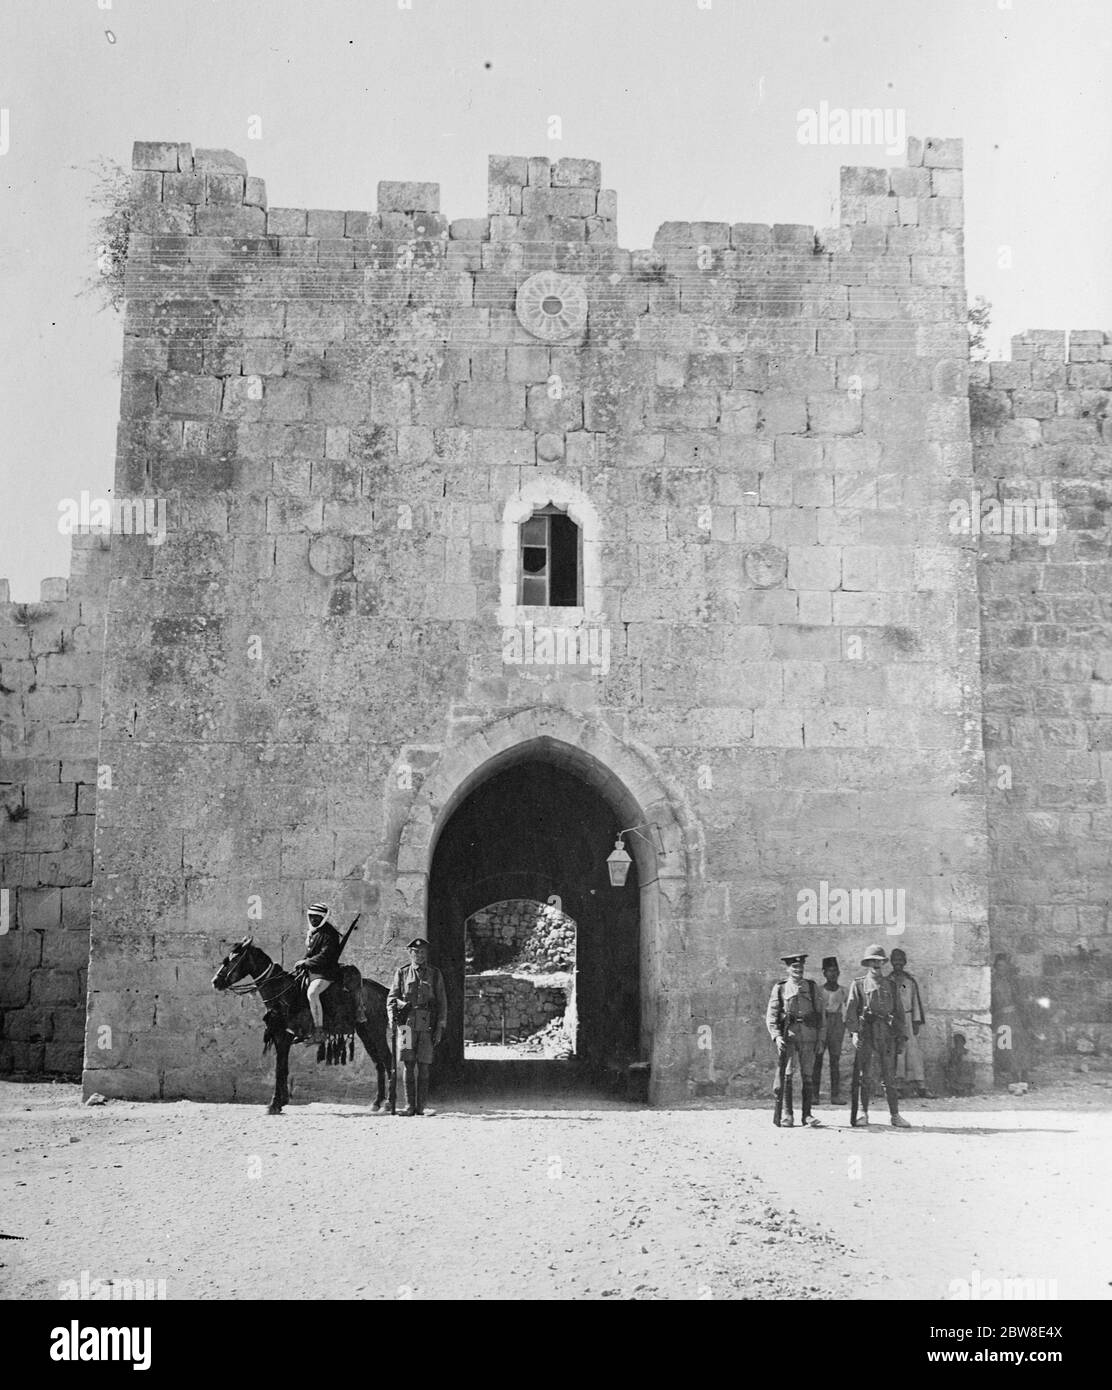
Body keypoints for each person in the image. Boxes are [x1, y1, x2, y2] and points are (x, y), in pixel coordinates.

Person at [843, 945, 911, 1128]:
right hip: (867, 1032)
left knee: (889, 1076)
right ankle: (863, 1113)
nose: (876, 965)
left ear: (883, 963)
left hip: (887, 1034)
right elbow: (850, 1012)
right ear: (867, 963)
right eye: (872, 961)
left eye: (879, 961)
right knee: (865, 1075)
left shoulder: (891, 985)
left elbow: (899, 1013)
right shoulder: (858, 984)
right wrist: (855, 1033)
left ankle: (895, 1115)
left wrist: (901, 1037)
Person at [387, 937, 448, 1117]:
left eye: (422, 952)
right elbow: (392, 998)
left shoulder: (435, 974)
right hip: (406, 1025)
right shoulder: (402, 973)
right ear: (410, 953)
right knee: (408, 1063)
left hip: (427, 1023)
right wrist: (393, 1017)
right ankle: (409, 1106)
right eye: (415, 952)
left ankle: (421, 1107)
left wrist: (440, 1027)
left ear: (426, 954)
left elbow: (442, 1002)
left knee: (424, 1064)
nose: (419, 955)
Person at [765, 951, 825, 1128]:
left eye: (801, 967)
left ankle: (807, 1115)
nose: (798, 970)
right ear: (788, 969)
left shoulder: (812, 988)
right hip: (789, 1038)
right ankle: (788, 1114)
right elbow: (772, 1015)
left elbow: (821, 1016)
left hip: (809, 1038)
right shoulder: (781, 988)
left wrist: (821, 1039)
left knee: (808, 1075)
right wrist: (776, 1037)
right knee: (788, 1075)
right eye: (794, 967)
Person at [293, 902, 342, 1044]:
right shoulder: (313, 932)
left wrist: (305, 963)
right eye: (311, 917)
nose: (314, 920)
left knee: (312, 993)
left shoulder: (330, 934)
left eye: (317, 917)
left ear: (324, 918)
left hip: (326, 972)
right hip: (312, 970)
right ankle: (301, 1028)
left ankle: (319, 1032)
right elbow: (311, 953)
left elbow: (325, 956)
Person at [889, 948, 929, 1097]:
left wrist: (916, 1021)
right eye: (895, 961)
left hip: (908, 1019)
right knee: (898, 1053)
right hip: (894, 1021)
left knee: (913, 1052)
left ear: (904, 962)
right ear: (892, 962)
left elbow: (915, 1002)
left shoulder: (909, 981)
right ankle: (897, 1086)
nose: (898, 963)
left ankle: (919, 1085)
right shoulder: (888, 981)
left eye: (900, 961)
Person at [991, 952, 1034, 1085]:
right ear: (995, 967)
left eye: (1004, 966)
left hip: (1015, 1017)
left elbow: (1020, 1000)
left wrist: (1025, 1017)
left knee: (1020, 1045)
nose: (1001, 969)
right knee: (1007, 1047)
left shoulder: (1013, 982)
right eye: (999, 966)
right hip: (1002, 1018)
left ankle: (1025, 1076)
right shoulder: (992, 982)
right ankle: (1014, 1077)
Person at [811, 956, 847, 1104]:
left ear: (838, 973)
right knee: (817, 1060)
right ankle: (814, 1095)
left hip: (837, 1024)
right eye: (829, 971)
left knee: (835, 1060)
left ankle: (835, 1095)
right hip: (821, 1024)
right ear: (824, 973)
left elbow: (849, 1009)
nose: (832, 974)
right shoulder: (818, 991)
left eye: (835, 971)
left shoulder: (844, 991)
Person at [943, 1031, 975, 1097]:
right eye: (956, 1041)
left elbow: (970, 1064)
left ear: (963, 1042)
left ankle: (966, 1088)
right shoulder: (953, 1051)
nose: (958, 1043)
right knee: (951, 1071)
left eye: (960, 1041)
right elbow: (951, 1062)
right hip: (955, 1069)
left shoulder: (967, 1052)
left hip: (963, 1071)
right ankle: (956, 1089)